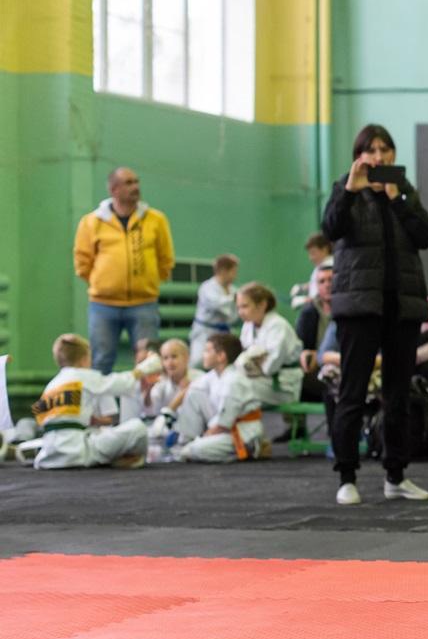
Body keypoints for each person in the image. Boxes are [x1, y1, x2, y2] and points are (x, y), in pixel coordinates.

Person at [322, 123, 428, 506]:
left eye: (385, 149)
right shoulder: (345, 188)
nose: (378, 156)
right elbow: (331, 228)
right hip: (359, 307)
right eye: (370, 150)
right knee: (353, 392)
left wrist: (397, 198)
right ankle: (347, 477)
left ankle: (396, 475)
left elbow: (426, 235)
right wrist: (350, 190)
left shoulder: (402, 190)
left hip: (402, 305)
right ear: (359, 156)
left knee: (398, 394)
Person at [73, 167, 176, 374]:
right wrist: (103, 283)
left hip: (144, 303)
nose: (135, 187)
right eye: (129, 183)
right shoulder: (91, 222)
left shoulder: (156, 220)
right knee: (101, 359)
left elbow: (165, 259)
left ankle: (149, 397)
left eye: (136, 181)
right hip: (103, 305)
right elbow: (82, 262)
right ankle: (99, 397)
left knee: (149, 362)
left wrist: (149, 282)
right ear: (114, 189)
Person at [30, 334, 158, 469]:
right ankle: (128, 459)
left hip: (49, 453)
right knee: (138, 428)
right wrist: (145, 368)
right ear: (84, 359)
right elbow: (120, 383)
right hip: (78, 452)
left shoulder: (50, 386)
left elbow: (38, 414)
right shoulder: (83, 376)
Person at [172, 333, 266, 464]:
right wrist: (168, 411)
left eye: (207, 351)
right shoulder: (214, 375)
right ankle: (186, 441)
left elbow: (223, 424)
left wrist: (203, 438)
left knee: (193, 450)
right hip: (224, 428)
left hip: (244, 434)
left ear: (221, 356)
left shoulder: (234, 381)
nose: (203, 355)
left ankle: (254, 449)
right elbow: (190, 389)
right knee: (194, 394)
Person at [236, 283, 305, 408]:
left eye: (245, 306)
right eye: (238, 307)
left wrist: (253, 364)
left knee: (235, 387)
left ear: (262, 304)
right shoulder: (248, 326)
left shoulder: (278, 326)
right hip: (262, 381)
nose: (240, 312)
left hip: (283, 386)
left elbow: (270, 367)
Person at [190, 254, 239, 361]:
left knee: (224, 361)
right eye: (233, 272)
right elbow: (217, 304)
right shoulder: (207, 287)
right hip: (205, 333)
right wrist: (234, 298)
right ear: (223, 271)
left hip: (225, 332)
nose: (235, 275)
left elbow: (235, 313)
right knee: (198, 361)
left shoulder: (234, 290)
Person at [291, 233, 332, 310]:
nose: (311, 258)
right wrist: (303, 287)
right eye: (309, 254)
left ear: (324, 249)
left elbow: (324, 295)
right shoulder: (320, 266)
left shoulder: (330, 267)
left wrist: (304, 300)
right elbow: (317, 283)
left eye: (313, 253)